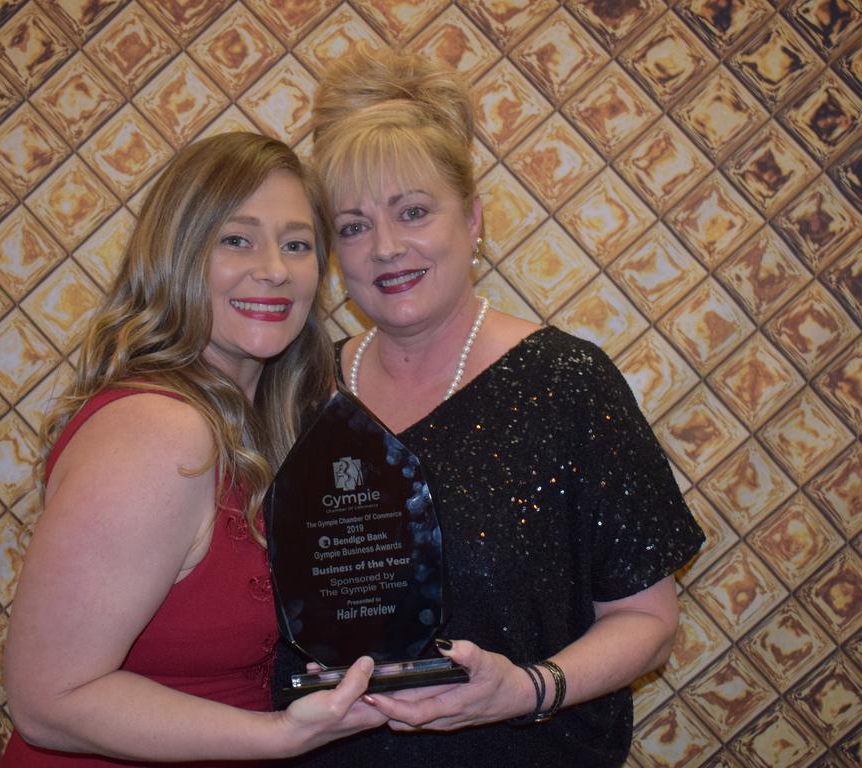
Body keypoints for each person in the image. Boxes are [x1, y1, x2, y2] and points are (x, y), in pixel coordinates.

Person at [275, 48, 706, 767]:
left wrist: (526, 689)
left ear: (473, 220)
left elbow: (649, 622)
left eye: (413, 212)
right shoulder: (301, 390)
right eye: (352, 227)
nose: (385, 248)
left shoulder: (568, 383)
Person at [0, 132, 387, 767]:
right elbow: (48, 701)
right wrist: (282, 735)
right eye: (236, 239)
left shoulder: (266, 426)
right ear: (177, 256)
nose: (274, 268)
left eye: (297, 244)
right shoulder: (163, 432)